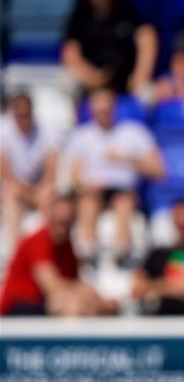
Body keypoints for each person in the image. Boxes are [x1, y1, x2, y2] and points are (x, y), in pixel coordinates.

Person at [65, 88, 166, 266]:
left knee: (124, 202)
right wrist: (86, 186)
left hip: (124, 190)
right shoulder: (81, 136)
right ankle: (87, 251)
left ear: (115, 107)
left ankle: (121, 250)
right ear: (90, 109)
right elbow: (74, 178)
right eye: (98, 106)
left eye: (106, 106)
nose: (102, 111)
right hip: (93, 191)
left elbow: (159, 171)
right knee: (87, 202)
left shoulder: (134, 133)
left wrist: (128, 159)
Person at [0, 195, 118, 317]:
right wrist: (88, 294)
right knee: (71, 304)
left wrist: (98, 300)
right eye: (59, 222)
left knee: (87, 303)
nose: (62, 229)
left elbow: (73, 281)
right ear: (49, 217)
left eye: (67, 223)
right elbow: (52, 286)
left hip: (42, 304)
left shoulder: (66, 246)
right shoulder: (37, 240)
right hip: (21, 306)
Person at [60, 0, 158, 95]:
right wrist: (92, 78)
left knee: (149, 93)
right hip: (92, 80)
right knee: (66, 83)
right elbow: (70, 54)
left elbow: (147, 38)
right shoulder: (79, 16)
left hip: (128, 80)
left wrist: (140, 75)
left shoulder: (128, 11)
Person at [0, 92, 59, 246]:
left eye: (26, 114)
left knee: (48, 195)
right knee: (11, 196)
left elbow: (51, 167)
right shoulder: (4, 131)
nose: (23, 119)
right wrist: (27, 191)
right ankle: (16, 247)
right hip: (16, 188)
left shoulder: (46, 130)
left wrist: (41, 189)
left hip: (38, 187)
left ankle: (47, 246)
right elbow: (4, 172)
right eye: (19, 115)